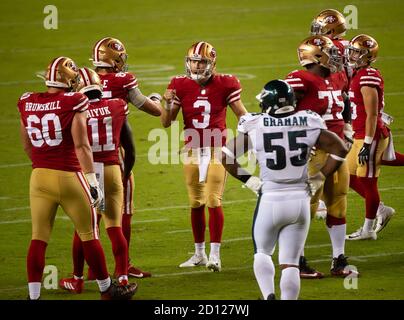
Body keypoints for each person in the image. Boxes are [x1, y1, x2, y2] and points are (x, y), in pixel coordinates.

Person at [18, 56, 137, 300]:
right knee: (89, 234)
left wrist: (39, 163)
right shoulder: (75, 100)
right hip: (71, 175)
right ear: (71, 81)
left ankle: (34, 295)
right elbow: (82, 145)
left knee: (38, 237)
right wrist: (92, 181)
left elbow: (27, 144)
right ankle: (107, 289)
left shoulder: (27, 101)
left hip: (38, 177)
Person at [221, 80, 348, 300]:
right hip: (300, 200)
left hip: (271, 197)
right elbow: (340, 148)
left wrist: (251, 181)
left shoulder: (255, 124)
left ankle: (269, 295)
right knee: (290, 262)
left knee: (262, 253)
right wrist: (320, 176)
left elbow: (226, 156)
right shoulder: (308, 120)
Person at [161, 41, 247, 272]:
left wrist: (248, 141)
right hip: (191, 150)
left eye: (201, 62)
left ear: (212, 63)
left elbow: (242, 115)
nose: (197, 66)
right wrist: (167, 103)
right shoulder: (179, 84)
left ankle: (215, 255)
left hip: (217, 150)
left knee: (212, 200)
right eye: (193, 61)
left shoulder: (226, 83)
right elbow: (166, 122)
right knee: (195, 203)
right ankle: (198, 253)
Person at [311, 9, 397, 223]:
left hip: (343, 109)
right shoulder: (348, 46)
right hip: (347, 106)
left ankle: (322, 201)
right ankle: (378, 209)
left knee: (325, 155)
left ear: (331, 29)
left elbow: (330, 78)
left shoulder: (334, 49)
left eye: (321, 29)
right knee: (346, 163)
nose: (317, 32)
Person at [59, 67, 136, 293]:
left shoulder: (74, 110)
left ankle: (78, 278)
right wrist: (125, 172)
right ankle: (122, 277)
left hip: (88, 172)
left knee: (84, 229)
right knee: (115, 226)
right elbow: (130, 149)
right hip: (113, 168)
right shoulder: (117, 106)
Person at [91, 37, 162, 278]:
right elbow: (152, 110)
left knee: (89, 215)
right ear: (115, 60)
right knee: (123, 211)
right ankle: (124, 267)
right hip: (114, 152)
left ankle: (85, 272)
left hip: (84, 157)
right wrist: (158, 99)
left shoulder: (84, 80)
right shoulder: (122, 81)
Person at [285, 35, 355, 278]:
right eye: (330, 52)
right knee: (307, 207)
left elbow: (346, 103)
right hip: (312, 152)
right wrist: (297, 141)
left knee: (339, 201)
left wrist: (347, 127)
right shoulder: (298, 79)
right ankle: (298, 260)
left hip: (337, 151)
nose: (336, 56)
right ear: (315, 55)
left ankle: (338, 259)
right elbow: (280, 112)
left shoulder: (338, 76)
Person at [345, 34, 395, 239]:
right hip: (360, 133)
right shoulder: (359, 72)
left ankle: (367, 230)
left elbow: (372, 113)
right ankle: (381, 209)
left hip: (370, 135)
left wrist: (367, 143)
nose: (353, 54)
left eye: (357, 52)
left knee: (368, 180)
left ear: (368, 56)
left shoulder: (367, 76)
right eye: (353, 50)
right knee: (347, 174)